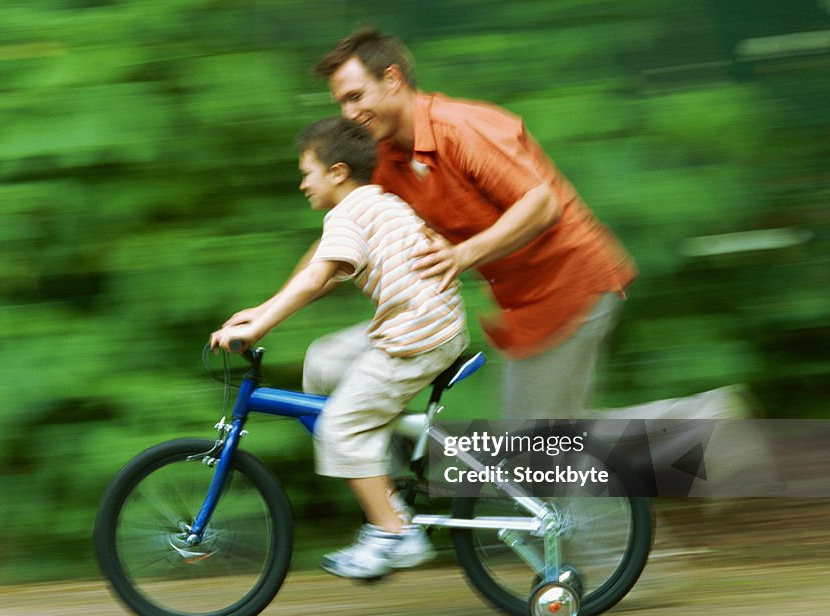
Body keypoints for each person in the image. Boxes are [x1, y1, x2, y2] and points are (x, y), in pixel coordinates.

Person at [309, 28, 747, 425]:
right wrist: (272, 310)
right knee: (548, 440)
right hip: (521, 303)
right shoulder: (389, 158)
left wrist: (461, 255)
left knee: (534, 448)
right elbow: (348, 238)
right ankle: (692, 438)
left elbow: (541, 203)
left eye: (355, 96)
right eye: (341, 104)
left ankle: (704, 426)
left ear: (392, 79)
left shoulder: (461, 129)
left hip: (568, 287)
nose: (349, 114)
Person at [210, 117, 468, 578]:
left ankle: (394, 532)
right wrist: (262, 310)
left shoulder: (349, 214)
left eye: (307, 171)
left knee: (337, 426)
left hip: (417, 339)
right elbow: (323, 277)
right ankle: (379, 452)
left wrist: (258, 327)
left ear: (338, 172)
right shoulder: (375, 204)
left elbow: (314, 279)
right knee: (324, 361)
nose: (303, 182)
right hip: (423, 324)